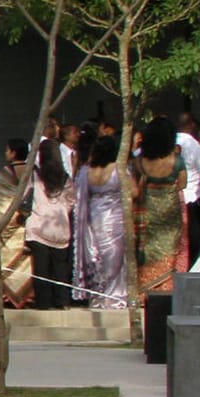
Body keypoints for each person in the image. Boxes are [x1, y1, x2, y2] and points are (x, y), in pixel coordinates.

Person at [133, 116, 189, 296]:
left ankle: (145, 290)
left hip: (147, 207)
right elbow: (183, 184)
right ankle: (166, 289)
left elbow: (135, 185)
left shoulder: (139, 161)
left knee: (147, 248)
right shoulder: (176, 160)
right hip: (170, 208)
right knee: (170, 248)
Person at [72, 132, 127, 309]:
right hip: (114, 216)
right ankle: (114, 297)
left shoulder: (86, 171)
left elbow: (78, 194)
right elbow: (133, 192)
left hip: (93, 215)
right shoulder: (119, 169)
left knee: (97, 253)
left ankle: (98, 296)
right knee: (115, 256)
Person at [0, 139, 34, 310]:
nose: (5, 153)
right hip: (26, 222)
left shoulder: (3, 174)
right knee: (24, 261)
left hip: (5, 222)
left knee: (4, 259)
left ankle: (1, 296)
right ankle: (26, 297)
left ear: (13, 153)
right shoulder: (32, 172)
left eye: (7, 150)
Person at [25, 140, 74, 311]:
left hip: (38, 226)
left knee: (41, 268)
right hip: (60, 227)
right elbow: (71, 201)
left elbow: (25, 195)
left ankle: (43, 302)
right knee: (60, 266)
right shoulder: (65, 178)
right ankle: (62, 300)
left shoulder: (33, 175)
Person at [177, 113, 200, 264]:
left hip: (170, 198)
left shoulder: (167, 142)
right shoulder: (194, 146)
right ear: (191, 125)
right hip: (191, 197)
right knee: (193, 239)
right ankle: (190, 266)